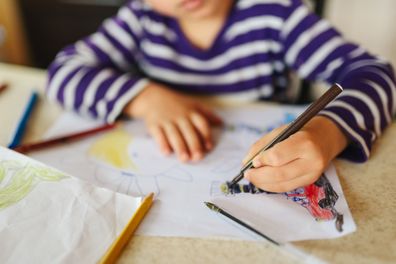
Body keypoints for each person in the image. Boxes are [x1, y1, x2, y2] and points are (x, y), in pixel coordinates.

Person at [46, 0, 396, 192]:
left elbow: (376, 74)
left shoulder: (276, 14)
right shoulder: (140, 20)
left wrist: (326, 132)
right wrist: (146, 98)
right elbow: (63, 71)